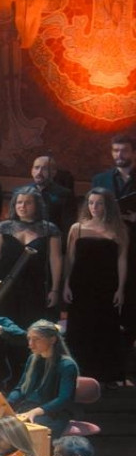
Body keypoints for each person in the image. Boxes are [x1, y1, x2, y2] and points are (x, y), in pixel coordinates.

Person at [63, 188, 127, 386]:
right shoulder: (77, 228)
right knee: (79, 328)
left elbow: (121, 260)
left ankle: (105, 375)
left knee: (105, 328)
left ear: (107, 205)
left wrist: (120, 288)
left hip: (106, 285)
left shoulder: (119, 230)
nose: (94, 207)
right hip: (81, 284)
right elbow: (70, 258)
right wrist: (65, 284)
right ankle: (77, 372)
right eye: (91, 203)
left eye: (99, 203)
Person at [0, 186, 62, 327]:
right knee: (4, 325)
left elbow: (55, 260)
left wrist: (55, 289)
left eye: (28, 202)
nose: (22, 206)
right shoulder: (3, 228)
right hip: (6, 285)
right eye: (19, 202)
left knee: (32, 325)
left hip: (35, 286)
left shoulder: (49, 229)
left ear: (37, 205)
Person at [90, 136, 136, 332]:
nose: (119, 155)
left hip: (134, 241)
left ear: (134, 153)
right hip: (106, 242)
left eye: (124, 150)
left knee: (132, 290)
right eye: (115, 150)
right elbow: (91, 208)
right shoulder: (100, 179)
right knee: (105, 288)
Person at [8, 320, 78, 438]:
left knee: (23, 433)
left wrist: (35, 412)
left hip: (53, 413)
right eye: (29, 339)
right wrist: (7, 403)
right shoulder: (32, 359)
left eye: (36, 339)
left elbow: (63, 399)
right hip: (28, 409)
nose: (30, 344)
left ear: (52, 339)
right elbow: (20, 388)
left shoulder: (67, 365)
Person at [25, 155, 75, 233]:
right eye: (36, 167)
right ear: (32, 171)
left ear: (53, 172)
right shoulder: (22, 192)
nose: (39, 172)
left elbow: (67, 226)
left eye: (44, 169)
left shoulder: (65, 194)